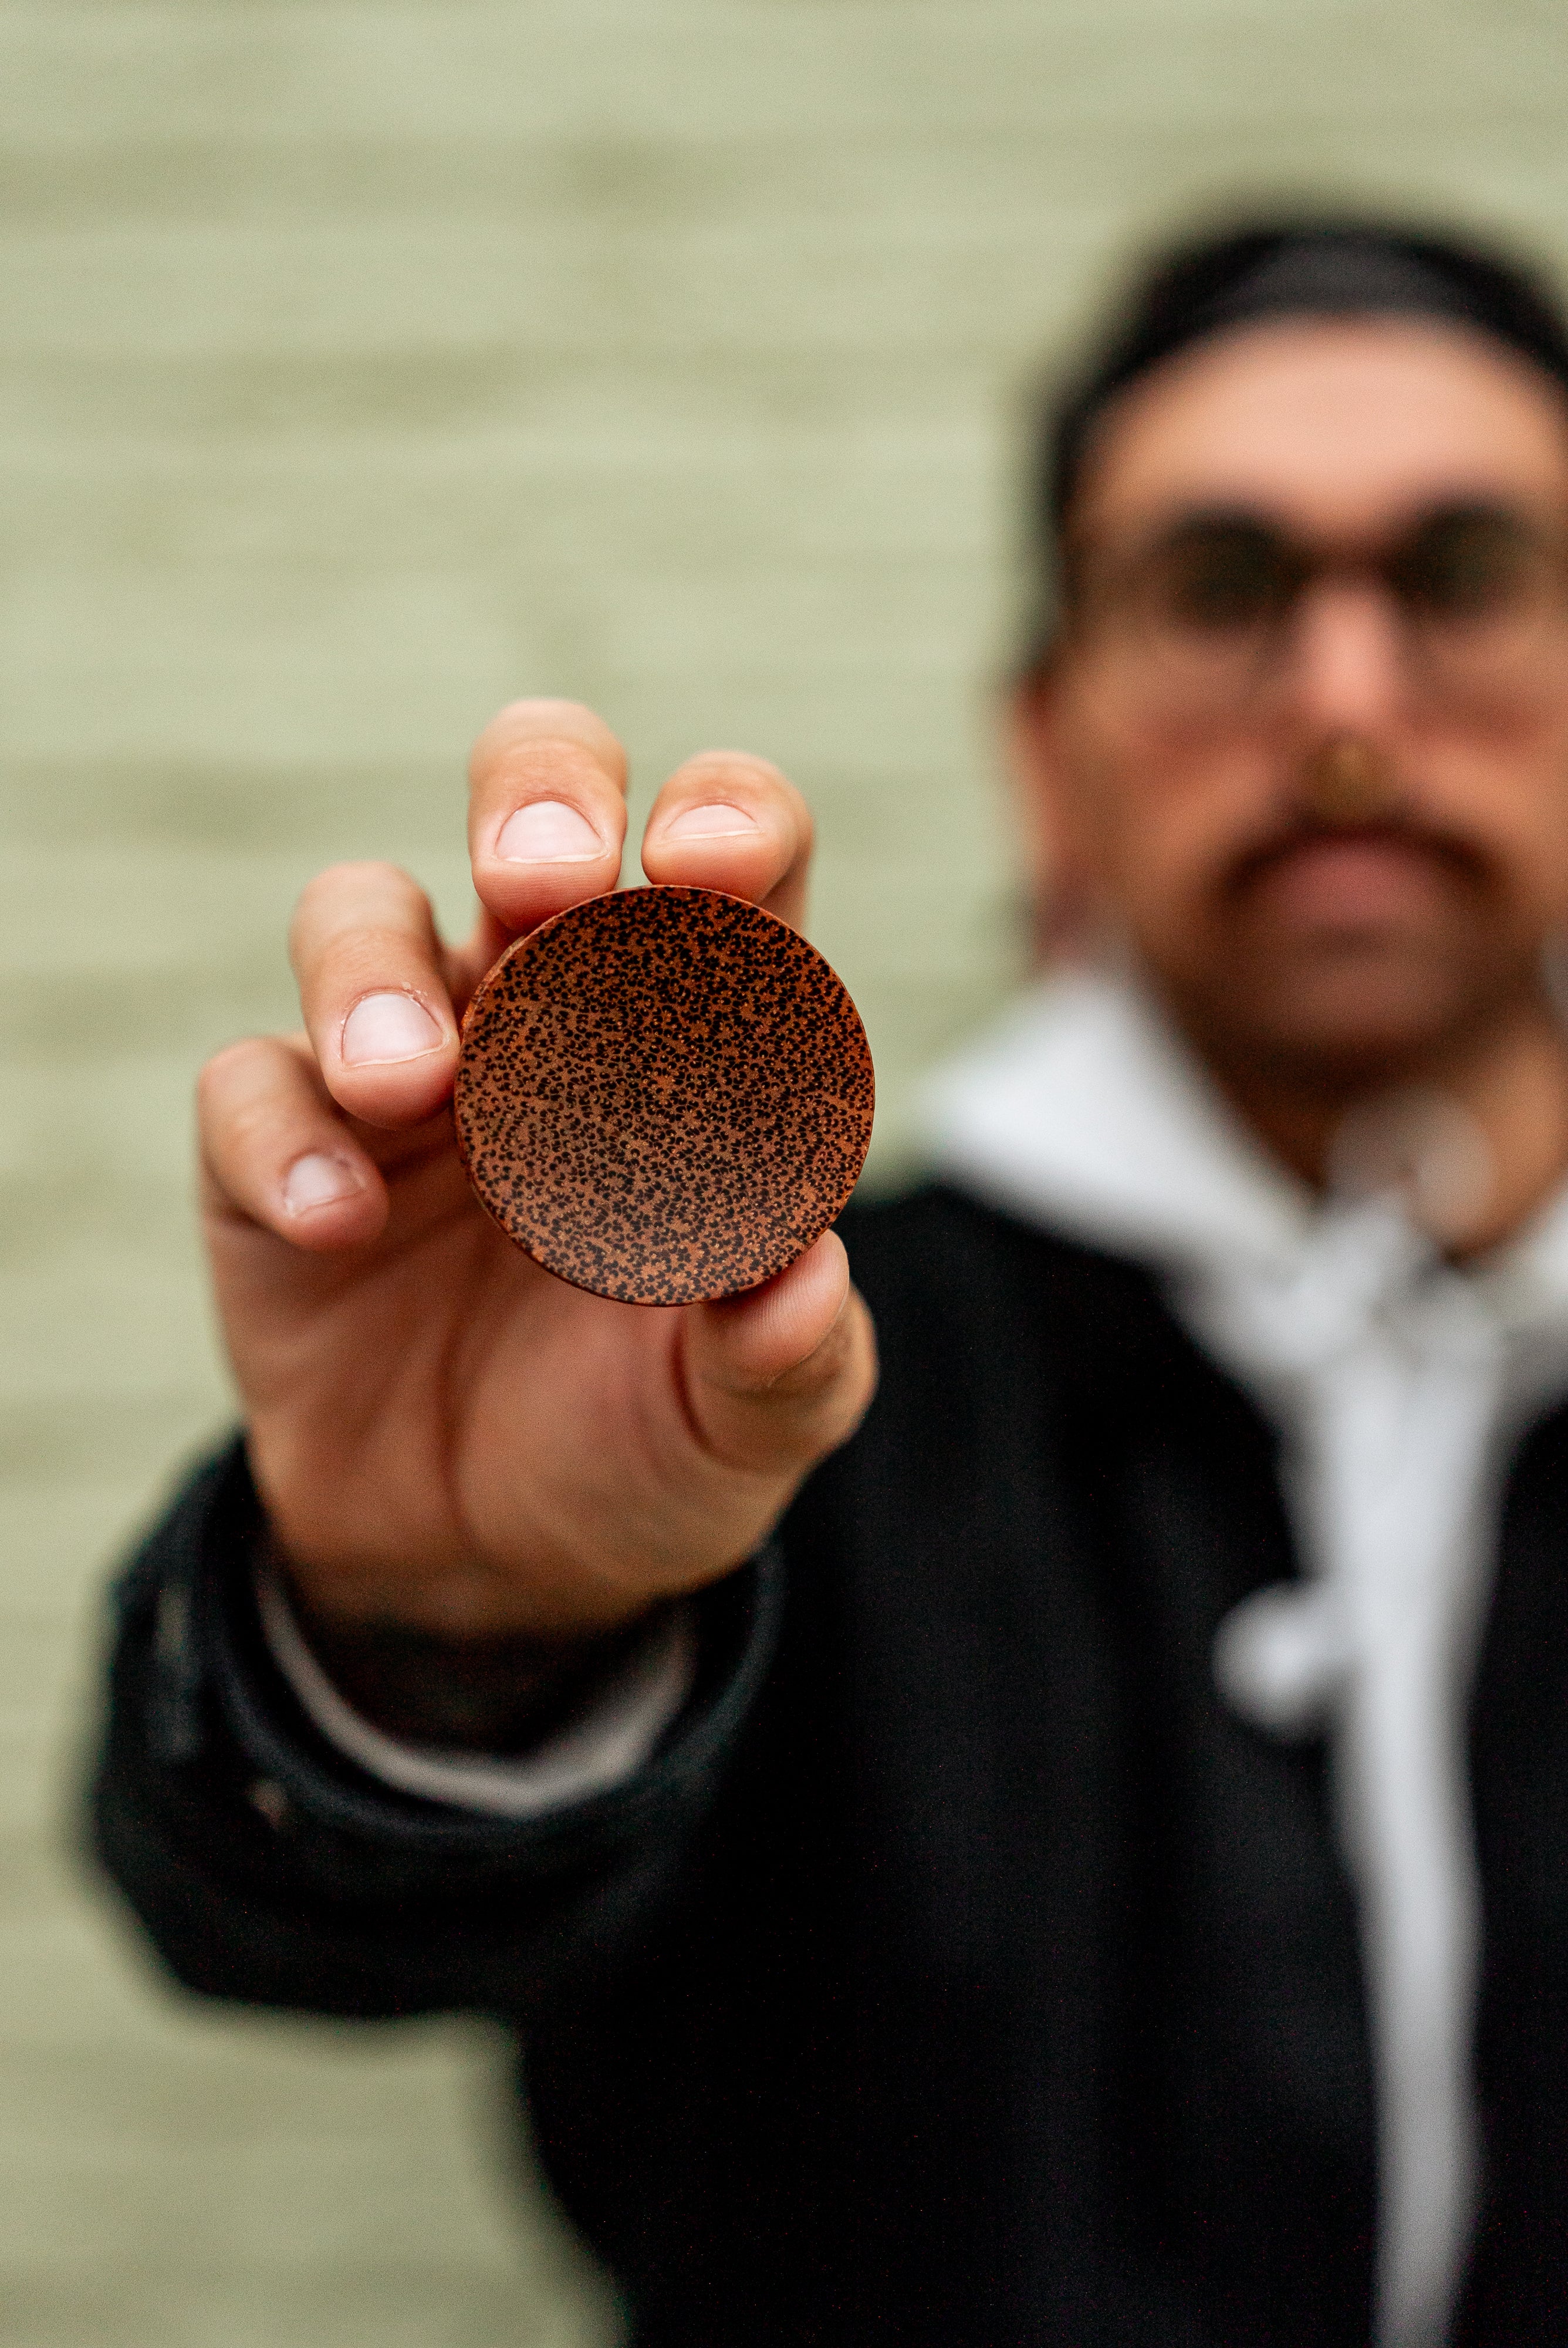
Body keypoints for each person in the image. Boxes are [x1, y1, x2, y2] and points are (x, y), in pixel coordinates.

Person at [90, 215, 1568, 2347]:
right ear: (1044, 754)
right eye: (1221, 588)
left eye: (1463, 577)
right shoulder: (762, 1388)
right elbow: (256, 1923)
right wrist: (445, 1633)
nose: (1346, 709)